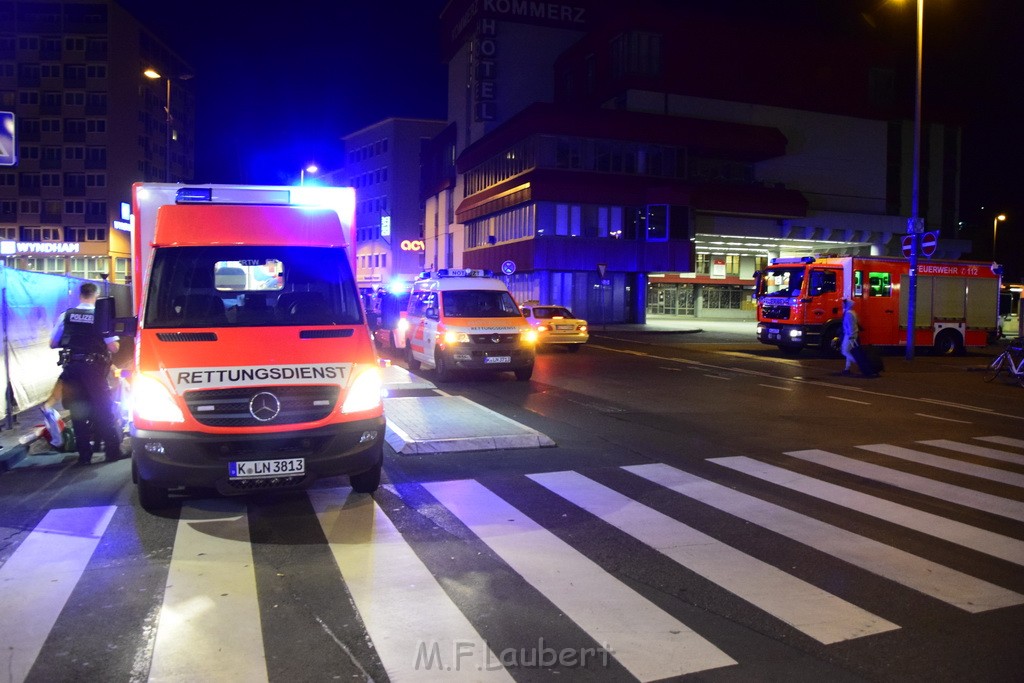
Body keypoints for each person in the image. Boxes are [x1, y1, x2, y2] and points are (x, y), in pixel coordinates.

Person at [49, 283, 122, 465]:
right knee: (104, 409)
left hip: (72, 368)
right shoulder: (100, 316)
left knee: (78, 411)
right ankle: (112, 451)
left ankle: (84, 456)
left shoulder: (66, 315)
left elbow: (52, 343)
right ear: (96, 296)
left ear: (81, 295)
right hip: (94, 370)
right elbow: (113, 346)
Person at [840, 298, 859, 376]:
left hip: (850, 335)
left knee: (844, 351)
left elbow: (850, 326)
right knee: (848, 351)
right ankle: (847, 368)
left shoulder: (848, 314)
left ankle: (858, 362)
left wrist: (850, 336)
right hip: (851, 334)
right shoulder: (852, 312)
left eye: (844, 303)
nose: (842, 305)